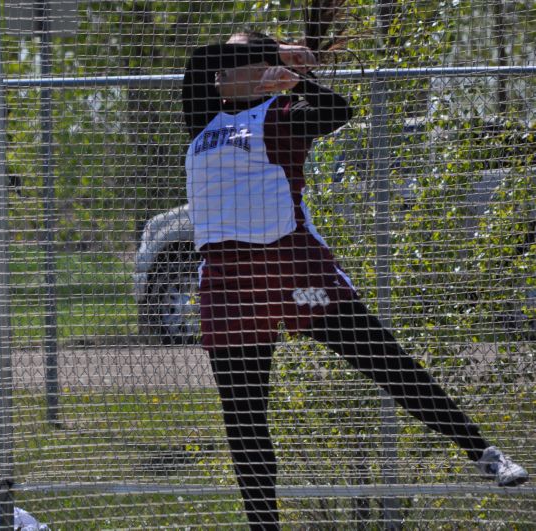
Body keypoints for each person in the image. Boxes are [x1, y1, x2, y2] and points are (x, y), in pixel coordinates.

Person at [182, 31, 529, 530]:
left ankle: (484, 452)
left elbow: (337, 110)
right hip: (227, 285)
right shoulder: (203, 115)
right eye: (222, 66)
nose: (217, 74)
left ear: (256, 72)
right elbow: (200, 59)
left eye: (233, 64)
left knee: (384, 361)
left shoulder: (281, 114)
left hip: (292, 271)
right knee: (244, 423)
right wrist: (279, 53)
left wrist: (293, 75)